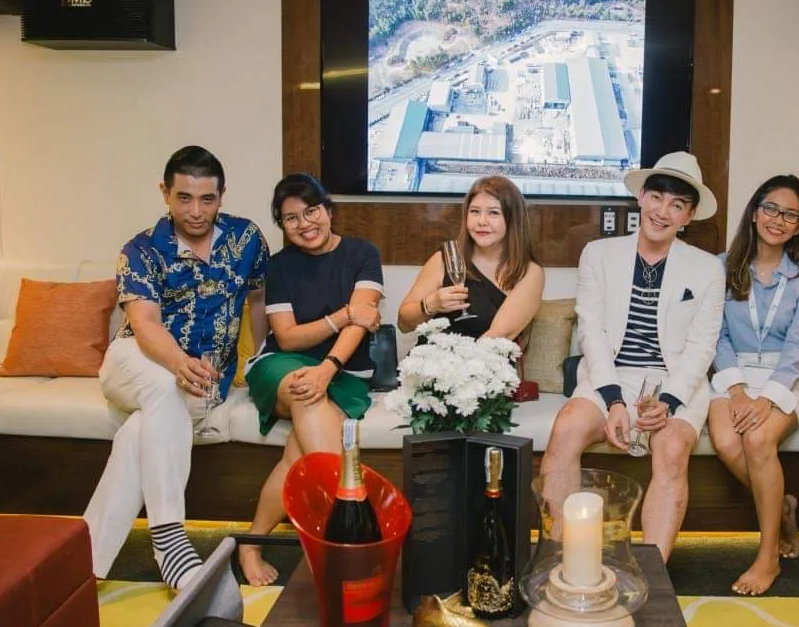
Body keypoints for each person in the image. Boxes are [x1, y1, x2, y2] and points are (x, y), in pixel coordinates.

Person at [83, 146, 270, 590]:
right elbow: (145, 323)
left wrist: (258, 357)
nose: (196, 211)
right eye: (184, 198)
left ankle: (80, 565)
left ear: (221, 195)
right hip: (135, 361)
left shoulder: (246, 239)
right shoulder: (141, 249)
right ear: (165, 193)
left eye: (207, 199)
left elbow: (258, 299)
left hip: (200, 384)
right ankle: (170, 539)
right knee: (166, 386)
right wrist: (179, 363)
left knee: (139, 433)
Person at [539, 151, 725, 561]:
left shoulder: (708, 269)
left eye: (677, 205)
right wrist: (614, 401)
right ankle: (561, 558)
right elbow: (592, 331)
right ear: (641, 197)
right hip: (611, 374)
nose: (663, 211)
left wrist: (669, 401)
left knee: (672, 448)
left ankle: (653, 570)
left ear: (689, 216)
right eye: (656, 197)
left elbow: (701, 346)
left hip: (675, 380)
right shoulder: (598, 253)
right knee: (566, 428)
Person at [238, 173, 384, 586]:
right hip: (282, 364)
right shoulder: (280, 266)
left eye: (311, 211)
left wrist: (328, 367)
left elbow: (362, 322)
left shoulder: (362, 253)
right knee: (305, 392)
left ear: (328, 210)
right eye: (291, 219)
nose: (304, 224)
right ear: (282, 226)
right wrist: (343, 315)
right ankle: (344, 542)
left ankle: (251, 542)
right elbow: (287, 337)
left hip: (344, 372)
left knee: (297, 455)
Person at [706, 175, 799, 595]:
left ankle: (767, 554)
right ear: (755, 212)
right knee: (725, 441)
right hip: (733, 372)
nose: (778, 219)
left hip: (786, 375)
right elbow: (716, 336)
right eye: (771, 208)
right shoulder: (721, 266)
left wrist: (767, 399)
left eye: (790, 215)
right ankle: (784, 508)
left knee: (757, 440)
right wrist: (738, 391)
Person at [398, 175, 544, 343]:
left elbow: (498, 337)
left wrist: (456, 359)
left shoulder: (529, 271)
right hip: (428, 356)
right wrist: (431, 304)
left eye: (493, 213)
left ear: (513, 219)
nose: (481, 221)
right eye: (474, 212)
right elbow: (403, 324)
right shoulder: (446, 258)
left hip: (483, 357)